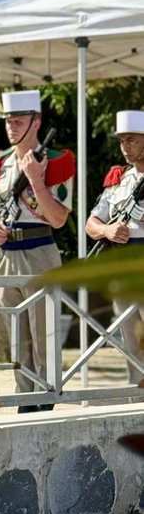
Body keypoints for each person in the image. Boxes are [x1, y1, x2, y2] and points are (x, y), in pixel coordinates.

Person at [0, 89, 74, 410]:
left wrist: (35, 180)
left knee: (43, 329)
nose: (11, 127)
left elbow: (58, 218)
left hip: (39, 250)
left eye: (18, 121)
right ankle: (24, 394)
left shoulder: (56, 162)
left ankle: (46, 395)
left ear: (37, 122)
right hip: (7, 254)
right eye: (8, 121)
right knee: (17, 331)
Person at [85, 110, 144, 384]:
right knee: (129, 339)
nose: (125, 147)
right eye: (122, 141)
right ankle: (136, 402)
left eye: (131, 139)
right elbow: (91, 223)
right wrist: (107, 230)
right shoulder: (119, 181)